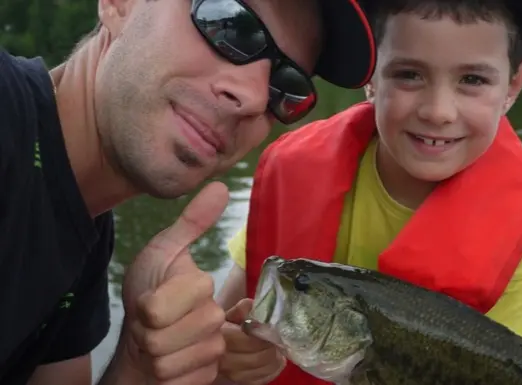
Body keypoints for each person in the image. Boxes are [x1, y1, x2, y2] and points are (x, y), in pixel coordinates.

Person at [0, 0, 377, 383]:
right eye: (230, 26)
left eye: (287, 86)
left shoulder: (86, 242)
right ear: (120, 4)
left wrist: (139, 367)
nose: (252, 97)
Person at [216, 0, 522, 384]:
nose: (438, 111)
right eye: (409, 74)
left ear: (514, 84)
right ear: (370, 77)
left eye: (472, 80)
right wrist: (224, 358)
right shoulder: (293, 180)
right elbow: (219, 327)